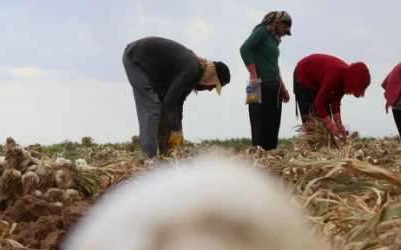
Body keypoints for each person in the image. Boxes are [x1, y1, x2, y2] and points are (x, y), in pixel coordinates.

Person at [121, 36, 230, 164]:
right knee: (152, 107)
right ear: (211, 77)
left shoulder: (194, 73)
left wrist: (178, 132)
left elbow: (178, 103)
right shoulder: (192, 69)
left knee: (162, 111)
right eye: (213, 85)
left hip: (149, 67)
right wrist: (176, 130)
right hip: (136, 58)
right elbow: (170, 103)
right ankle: (149, 159)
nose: (210, 89)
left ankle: (165, 157)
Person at [240, 11, 293, 151]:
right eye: (284, 27)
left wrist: (283, 87)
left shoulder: (273, 40)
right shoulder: (262, 31)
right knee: (257, 120)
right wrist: (253, 73)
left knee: (272, 123)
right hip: (259, 84)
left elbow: (274, 66)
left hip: (272, 84)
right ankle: (258, 153)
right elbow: (244, 48)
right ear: (275, 22)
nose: (284, 33)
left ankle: (270, 156)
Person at [292, 54, 371, 139]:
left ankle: (327, 146)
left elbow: (335, 100)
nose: (351, 93)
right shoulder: (334, 76)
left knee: (325, 119)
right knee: (312, 119)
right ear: (352, 83)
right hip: (304, 75)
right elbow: (319, 102)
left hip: (319, 81)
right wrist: (331, 126)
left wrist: (338, 124)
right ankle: (315, 148)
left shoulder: (345, 78)